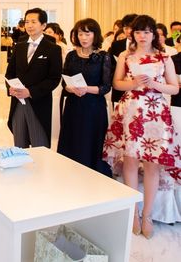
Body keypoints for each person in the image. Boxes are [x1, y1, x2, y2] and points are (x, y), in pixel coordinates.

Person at [103, 15, 179, 238]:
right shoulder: (125, 56)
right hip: (131, 111)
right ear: (132, 34)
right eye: (138, 32)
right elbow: (117, 84)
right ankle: (134, 212)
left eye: (146, 32)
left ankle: (147, 215)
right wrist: (134, 83)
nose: (142, 36)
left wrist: (154, 84)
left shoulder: (164, 57)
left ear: (153, 34)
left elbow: (174, 88)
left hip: (156, 113)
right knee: (130, 161)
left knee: (152, 165)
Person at [57, 18, 112, 175]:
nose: (83, 38)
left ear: (95, 35)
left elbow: (105, 87)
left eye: (87, 34)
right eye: (80, 34)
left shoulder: (103, 56)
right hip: (73, 105)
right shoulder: (71, 55)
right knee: (72, 139)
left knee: (91, 142)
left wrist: (86, 89)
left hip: (94, 107)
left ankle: (92, 176)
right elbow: (64, 81)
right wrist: (70, 88)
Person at [5, 8, 62, 148]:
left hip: (39, 103)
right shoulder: (19, 46)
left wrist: (30, 92)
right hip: (18, 102)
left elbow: (54, 78)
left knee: (39, 144)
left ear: (43, 25)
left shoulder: (53, 49)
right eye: (27, 22)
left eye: (33, 22)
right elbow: (10, 73)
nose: (29, 25)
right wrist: (10, 87)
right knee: (19, 143)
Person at [109, 13, 138, 106]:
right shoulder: (116, 45)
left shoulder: (146, 45)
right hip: (120, 92)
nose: (129, 31)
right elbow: (110, 66)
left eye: (131, 28)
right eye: (126, 28)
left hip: (139, 91)